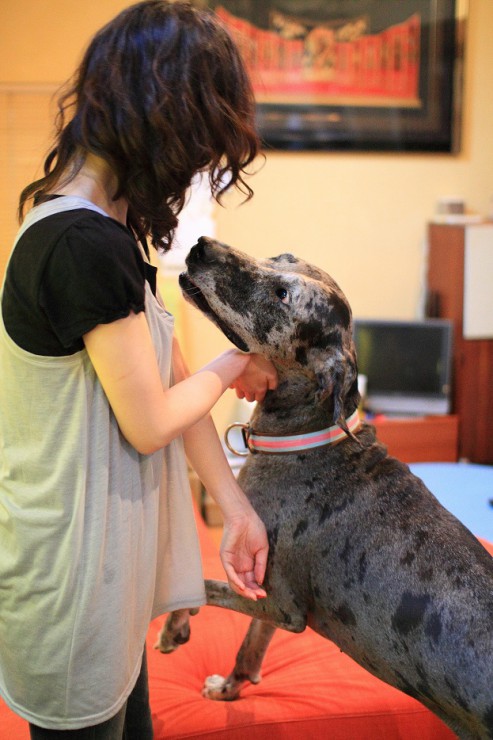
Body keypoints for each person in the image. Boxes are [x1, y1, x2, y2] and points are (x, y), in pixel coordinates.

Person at [0, 2, 277, 737]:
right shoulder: (78, 242)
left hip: (105, 568)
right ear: (163, 118)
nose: (196, 166)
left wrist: (235, 509)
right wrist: (238, 358)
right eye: (199, 140)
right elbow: (151, 421)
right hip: (71, 577)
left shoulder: (106, 230)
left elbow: (170, 374)